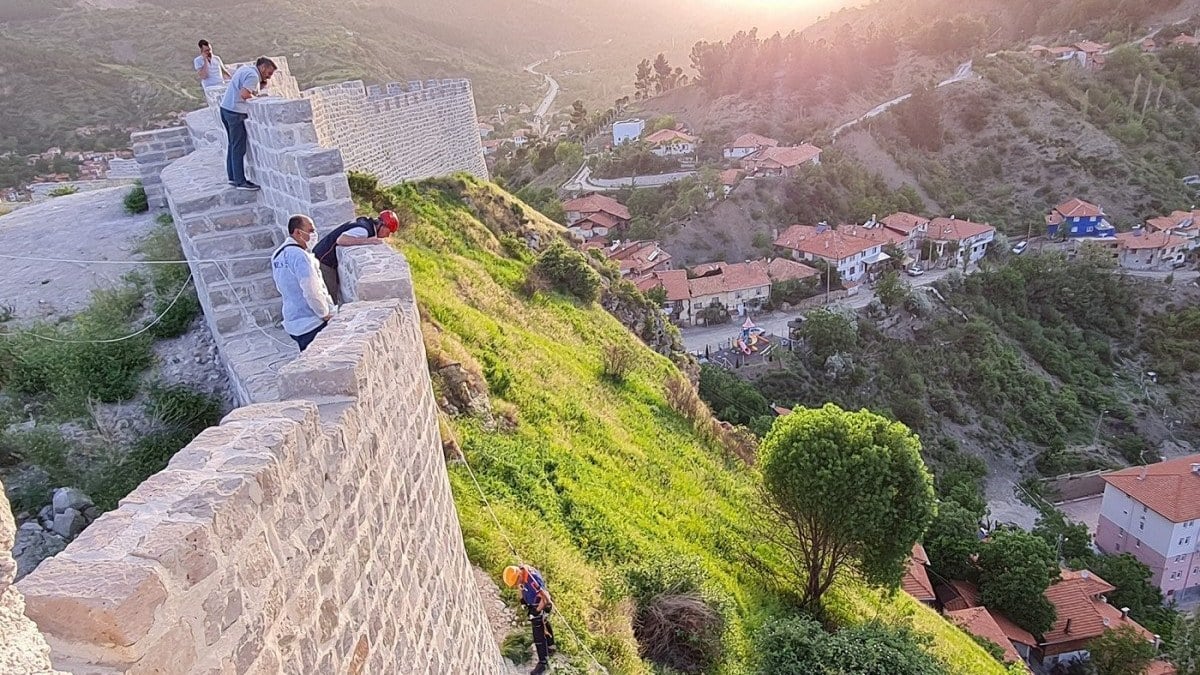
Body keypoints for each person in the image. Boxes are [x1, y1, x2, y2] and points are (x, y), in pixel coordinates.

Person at [271, 215, 335, 351]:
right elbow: (312, 290)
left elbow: (279, 284)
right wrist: (324, 314)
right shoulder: (301, 256)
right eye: (310, 231)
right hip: (311, 322)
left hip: (293, 320)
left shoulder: (277, 254)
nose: (313, 235)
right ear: (298, 232)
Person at [311, 210, 402, 302]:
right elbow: (341, 240)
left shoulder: (365, 222)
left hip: (320, 254)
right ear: (382, 225)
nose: (387, 235)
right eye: (388, 231)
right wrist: (368, 241)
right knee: (330, 297)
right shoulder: (364, 230)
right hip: (324, 261)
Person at [219, 57, 277, 191]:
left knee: (232, 145)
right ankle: (240, 181)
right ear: (262, 67)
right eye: (269, 73)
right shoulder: (253, 76)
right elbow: (245, 94)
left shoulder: (246, 69)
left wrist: (262, 83)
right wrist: (257, 98)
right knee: (239, 147)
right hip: (235, 113)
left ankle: (233, 178)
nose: (269, 76)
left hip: (225, 109)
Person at [503, 564, 556, 675]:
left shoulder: (533, 581)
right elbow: (521, 586)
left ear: (519, 575)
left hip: (540, 604)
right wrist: (523, 600)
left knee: (538, 634)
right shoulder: (522, 573)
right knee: (544, 622)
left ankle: (543, 662)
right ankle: (551, 647)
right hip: (532, 603)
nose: (516, 585)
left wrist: (536, 611)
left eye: (516, 582)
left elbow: (545, 598)